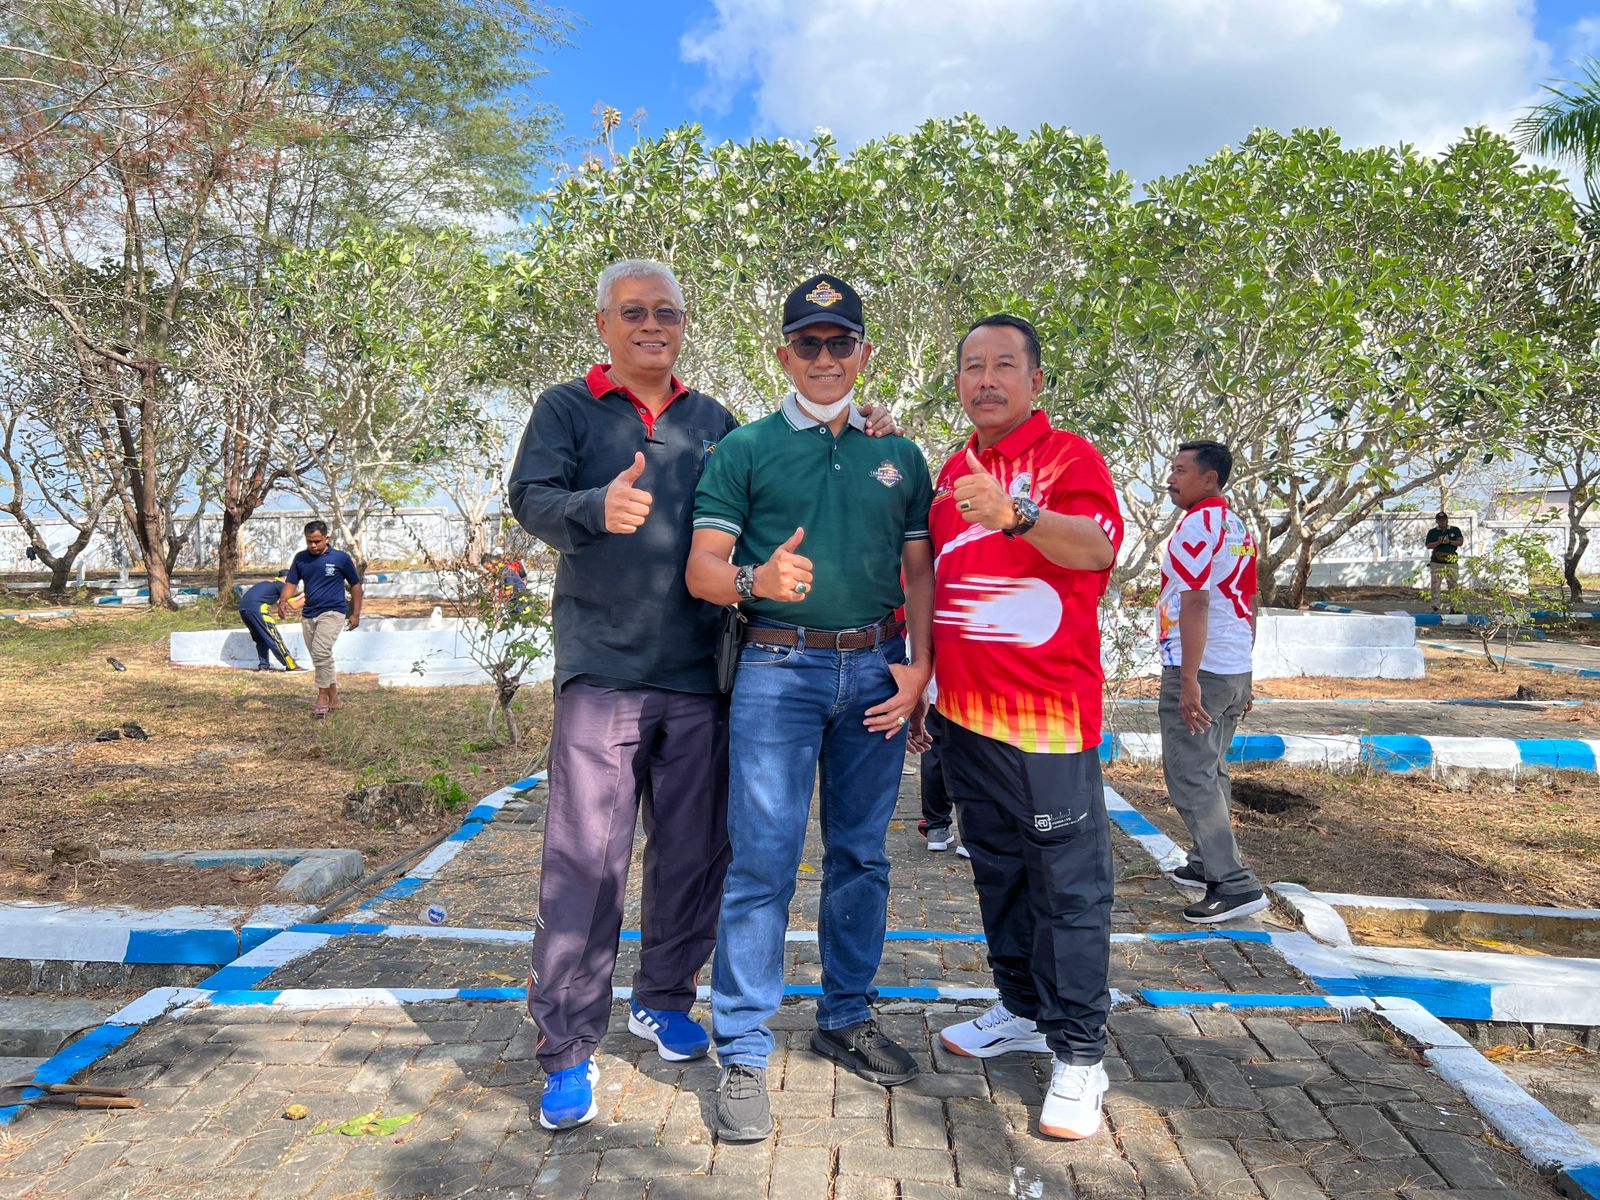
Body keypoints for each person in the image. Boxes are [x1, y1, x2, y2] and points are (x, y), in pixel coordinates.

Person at [506, 260, 904, 1133]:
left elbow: (794, 483)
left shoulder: (715, 423)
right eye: (635, 312)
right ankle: (568, 1048)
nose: (653, 326)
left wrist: (870, 426)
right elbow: (528, 498)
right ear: (604, 321)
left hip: (704, 676)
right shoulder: (566, 408)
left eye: (668, 313)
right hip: (603, 672)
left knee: (694, 858)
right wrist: (588, 509)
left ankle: (663, 997)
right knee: (586, 866)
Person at [686, 274, 933, 1144]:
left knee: (862, 857)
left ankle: (845, 1016)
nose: (824, 358)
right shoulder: (746, 449)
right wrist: (757, 580)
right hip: (777, 672)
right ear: (782, 353)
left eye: (840, 344)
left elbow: (918, 573)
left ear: (865, 353)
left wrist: (919, 672)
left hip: (875, 675)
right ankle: (744, 1053)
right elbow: (704, 569)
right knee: (762, 864)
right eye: (807, 344)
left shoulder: (897, 454)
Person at [925, 314, 1123, 1142]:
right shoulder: (949, 468)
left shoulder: (1072, 458)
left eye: (1004, 365)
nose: (986, 380)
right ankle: (1019, 1010)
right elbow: (933, 577)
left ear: (1036, 381)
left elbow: (1096, 551)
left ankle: (1081, 1055)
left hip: (1048, 725)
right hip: (964, 720)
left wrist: (1016, 515)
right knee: (998, 873)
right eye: (973, 366)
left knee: (1067, 890)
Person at [1155, 441, 1267, 925]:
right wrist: (1246, 667)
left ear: (1210, 480)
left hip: (1203, 669)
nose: (1170, 479)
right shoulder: (1238, 525)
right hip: (1232, 666)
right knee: (1212, 768)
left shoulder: (1198, 525)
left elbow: (1196, 603)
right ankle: (1204, 864)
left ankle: (1234, 884)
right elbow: (1252, 596)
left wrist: (1190, 678)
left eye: (1181, 471)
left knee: (1189, 774)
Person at [277, 521, 361, 718]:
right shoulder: (301, 559)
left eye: (317, 541)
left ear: (326, 539)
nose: (313, 545)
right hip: (309, 614)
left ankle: (322, 696)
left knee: (321, 651)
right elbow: (291, 582)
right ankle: (335, 699)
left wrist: (355, 614)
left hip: (333, 612)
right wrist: (283, 600)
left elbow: (356, 586)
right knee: (320, 657)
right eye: (309, 542)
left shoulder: (341, 558)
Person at [238, 572, 300, 671]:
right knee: (274, 638)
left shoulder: (269, 584)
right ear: (286, 579)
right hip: (257, 609)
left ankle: (263, 665)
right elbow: (294, 605)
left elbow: (278, 602)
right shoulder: (282, 585)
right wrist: (308, 595)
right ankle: (291, 665)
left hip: (243, 610)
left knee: (261, 639)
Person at [1425, 511, 1464, 612]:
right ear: (1437, 521)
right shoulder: (1432, 532)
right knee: (1435, 584)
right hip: (1437, 561)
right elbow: (1428, 545)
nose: (1442, 523)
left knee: (1453, 584)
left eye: (1444, 520)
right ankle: (1435, 606)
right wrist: (1438, 542)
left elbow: (1460, 542)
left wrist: (1449, 542)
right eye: (1440, 521)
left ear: (1447, 520)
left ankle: (1454, 607)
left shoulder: (1454, 530)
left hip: (1451, 561)